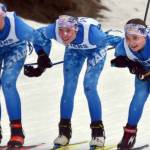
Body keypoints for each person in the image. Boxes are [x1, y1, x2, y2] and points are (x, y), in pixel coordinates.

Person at [24, 15, 121, 148]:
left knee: (89, 87)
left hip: (96, 50)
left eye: (68, 30)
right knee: (68, 87)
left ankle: (98, 132)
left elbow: (121, 42)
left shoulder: (94, 35)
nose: (64, 35)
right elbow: (36, 36)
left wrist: (127, 57)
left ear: (76, 29)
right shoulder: (53, 30)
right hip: (74, 50)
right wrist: (41, 57)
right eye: (61, 30)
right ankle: (64, 132)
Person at [0, 3, 51, 148]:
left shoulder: (16, 24)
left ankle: (17, 131)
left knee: (7, 83)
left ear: (3, 16)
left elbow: (38, 38)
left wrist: (42, 55)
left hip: (16, 48)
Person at [111, 18, 150, 150]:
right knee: (138, 98)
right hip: (143, 74)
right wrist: (131, 64)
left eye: (135, 38)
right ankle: (129, 136)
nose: (131, 42)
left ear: (144, 35)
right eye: (128, 38)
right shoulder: (124, 46)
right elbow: (117, 60)